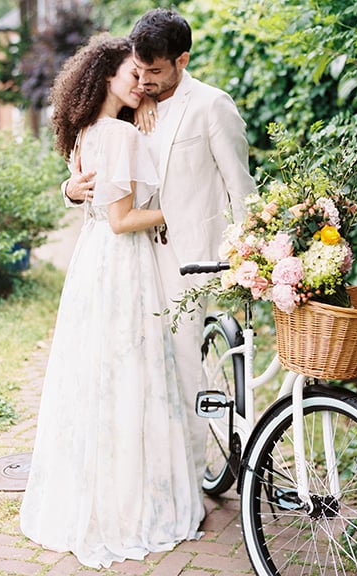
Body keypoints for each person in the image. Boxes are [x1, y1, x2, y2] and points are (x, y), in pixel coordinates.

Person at [19, 34, 203, 568]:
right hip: (124, 265)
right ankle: (133, 502)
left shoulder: (83, 133)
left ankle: (92, 494)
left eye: (147, 78)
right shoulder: (119, 136)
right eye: (133, 77)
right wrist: (178, 210)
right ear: (106, 78)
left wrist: (139, 105)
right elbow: (124, 221)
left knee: (94, 380)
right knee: (132, 376)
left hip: (91, 263)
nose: (143, 84)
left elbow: (94, 205)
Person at [64, 8, 255, 492]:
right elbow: (101, 172)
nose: (145, 80)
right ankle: (151, 476)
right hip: (131, 257)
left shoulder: (212, 106)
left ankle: (186, 486)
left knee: (183, 372)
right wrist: (70, 189)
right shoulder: (128, 106)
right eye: (139, 69)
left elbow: (240, 187)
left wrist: (250, 253)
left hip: (185, 259)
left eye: (155, 71)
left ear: (181, 61)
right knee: (143, 375)